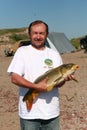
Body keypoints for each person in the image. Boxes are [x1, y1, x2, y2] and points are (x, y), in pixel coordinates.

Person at [7, 20, 73, 130]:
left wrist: (64, 79)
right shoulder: (22, 52)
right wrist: (37, 87)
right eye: (35, 33)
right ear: (29, 34)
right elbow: (15, 78)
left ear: (46, 34)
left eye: (41, 33)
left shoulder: (54, 54)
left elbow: (58, 84)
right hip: (29, 115)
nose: (38, 36)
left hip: (52, 113)